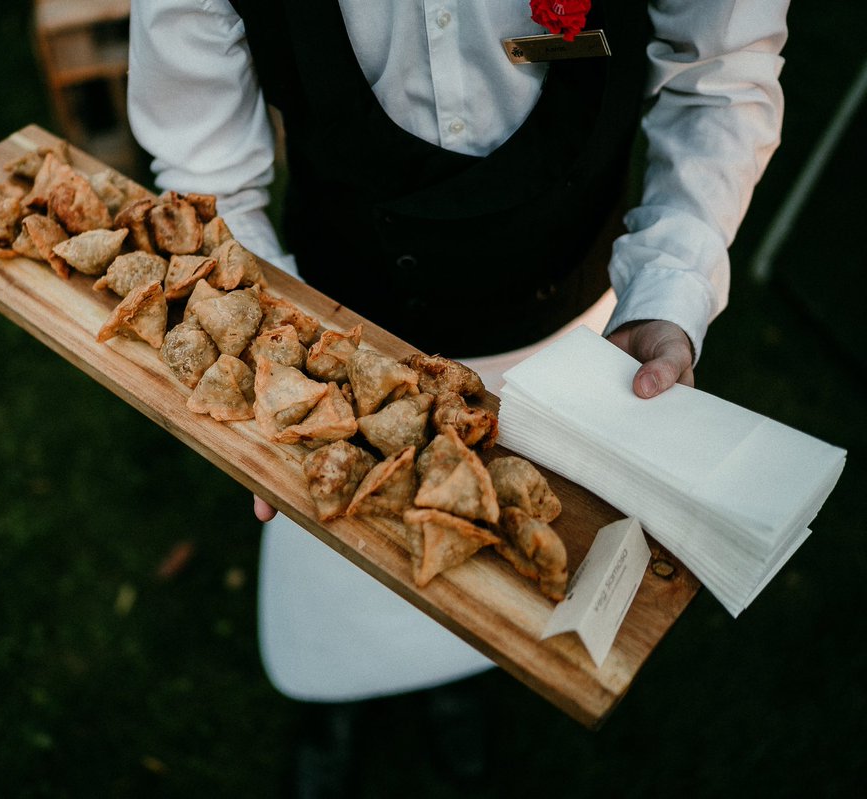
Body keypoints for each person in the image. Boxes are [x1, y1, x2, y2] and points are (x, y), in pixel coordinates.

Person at [126, 0, 787, 788]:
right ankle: (332, 697)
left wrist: (666, 292)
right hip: (341, 364)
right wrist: (274, 370)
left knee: (505, 568)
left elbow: (720, 74)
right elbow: (209, 176)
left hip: (575, 342)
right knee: (335, 565)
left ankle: (456, 682)